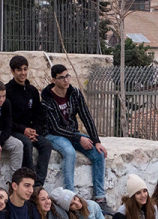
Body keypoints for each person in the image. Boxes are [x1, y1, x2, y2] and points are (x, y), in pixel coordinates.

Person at [41, 63, 109, 211]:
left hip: (71, 132)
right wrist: (78, 138)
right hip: (53, 134)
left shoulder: (75, 93)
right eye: (61, 78)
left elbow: (86, 117)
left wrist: (96, 141)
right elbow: (55, 127)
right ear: (54, 80)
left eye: (67, 76)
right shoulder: (47, 99)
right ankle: (70, 196)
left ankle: (100, 198)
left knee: (98, 154)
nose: (66, 80)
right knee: (69, 152)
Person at [6, 55, 53, 188]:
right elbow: (6, 119)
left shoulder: (32, 91)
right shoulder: (7, 91)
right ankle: (29, 181)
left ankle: (38, 185)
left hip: (30, 130)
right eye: (19, 70)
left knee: (46, 145)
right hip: (14, 130)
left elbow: (39, 114)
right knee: (26, 144)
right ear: (12, 71)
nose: (23, 73)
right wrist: (23, 130)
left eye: (25, 69)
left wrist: (34, 131)